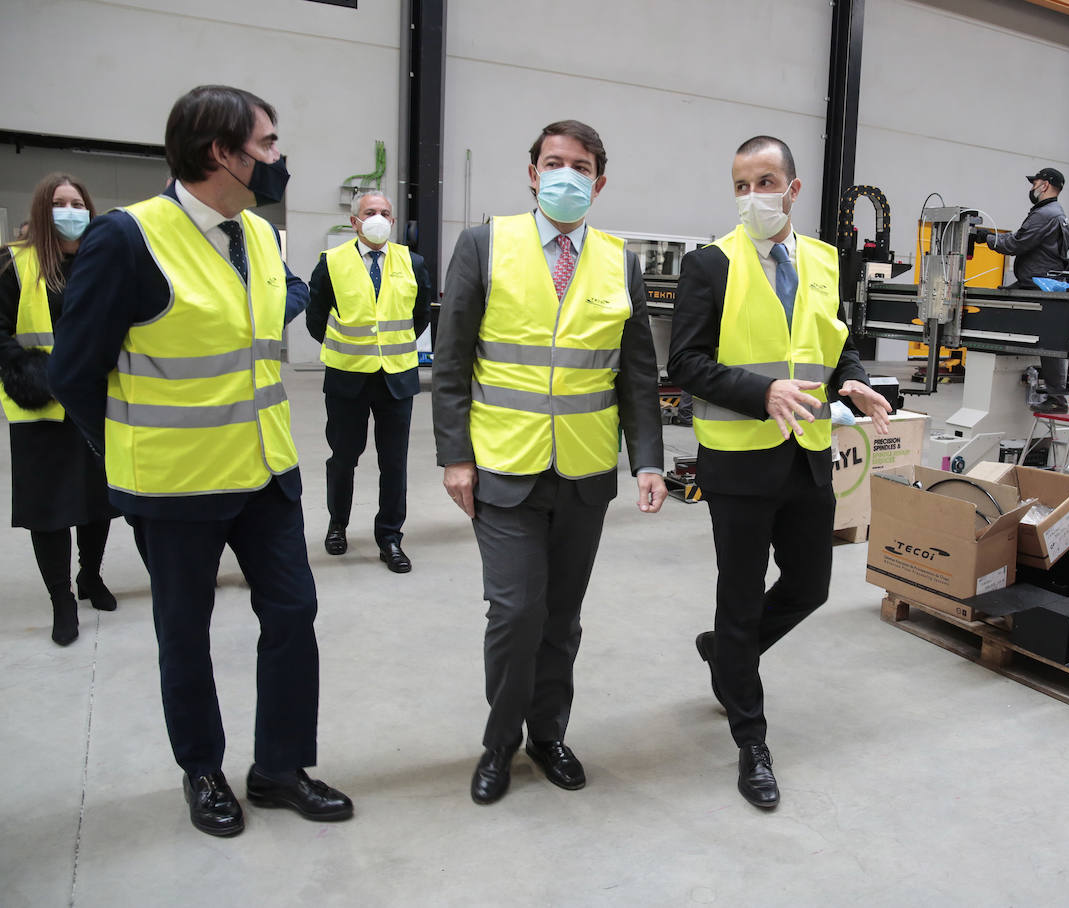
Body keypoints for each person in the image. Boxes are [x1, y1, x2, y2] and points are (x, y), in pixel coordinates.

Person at [49, 85, 352, 838]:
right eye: (269, 144)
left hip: (266, 473)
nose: (279, 159)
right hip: (175, 485)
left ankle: (279, 768)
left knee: (293, 614)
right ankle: (203, 771)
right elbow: (73, 374)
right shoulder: (127, 239)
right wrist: (125, 457)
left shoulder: (256, 234)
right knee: (184, 634)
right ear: (222, 153)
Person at [433, 119, 665, 806]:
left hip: (586, 473)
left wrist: (647, 460)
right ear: (533, 173)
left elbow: (636, 375)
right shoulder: (483, 245)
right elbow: (451, 363)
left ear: (599, 180)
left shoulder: (619, 260)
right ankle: (500, 741)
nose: (567, 175)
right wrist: (455, 457)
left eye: (582, 165)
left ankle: (548, 733)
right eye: (554, 163)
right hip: (505, 464)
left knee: (561, 616)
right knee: (515, 611)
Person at [667, 135, 892, 809]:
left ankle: (726, 654)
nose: (752, 195)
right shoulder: (710, 265)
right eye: (741, 184)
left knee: (810, 585)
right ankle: (751, 739)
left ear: (793, 189)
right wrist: (760, 394)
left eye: (765, 181)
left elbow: (836, 344)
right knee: (739, 599)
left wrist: (852, 383)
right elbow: (687, 362)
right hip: (738, 460)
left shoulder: (823, 260)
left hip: (808, 455)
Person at [0, 173, 118, 646]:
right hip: (40, 407)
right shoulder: (15, 264)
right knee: (49, 510)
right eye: (59, 203)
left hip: (94, 401)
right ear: (41, 211)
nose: (71, 211)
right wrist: (35, 377)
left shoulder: (101, 261)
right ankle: (61, 600)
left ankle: (90, 576)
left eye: (77, 202)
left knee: (98, 503)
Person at [305, 190, 432, 573]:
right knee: (343, 458)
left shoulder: (413, 262)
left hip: (396, 379)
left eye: (385, 213)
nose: (379, 218)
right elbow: (315, 318)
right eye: (370, 212)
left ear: (393, 221)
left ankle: (390, 537)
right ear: (354, 221)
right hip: (347, 378)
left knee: (394, 463)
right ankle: (337, 524)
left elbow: (421, 315)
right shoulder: (332, 262)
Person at [973, 168, 1069, 414]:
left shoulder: (1045, 214)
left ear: (1046, 185)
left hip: (1037, 285)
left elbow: (1017, 243)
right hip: (1040, 281)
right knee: (1044, 339)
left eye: (1035, 183)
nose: (1032, 187)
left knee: (997, 314)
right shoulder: (1055, 213)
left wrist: (987, 238)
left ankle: (1056, 399)